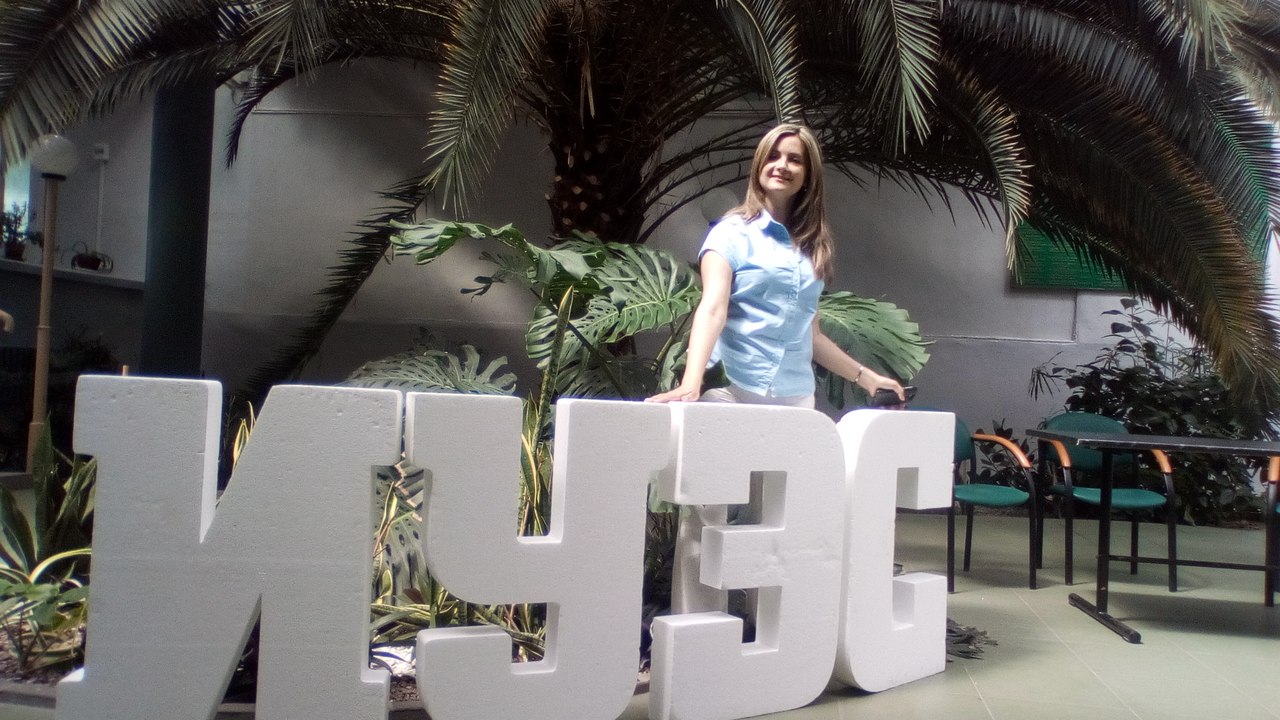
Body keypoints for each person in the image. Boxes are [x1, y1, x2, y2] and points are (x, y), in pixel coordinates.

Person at [647, 123, 904, 408]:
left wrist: (868, 378)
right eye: (772, 156)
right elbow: (712, 309)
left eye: (794, 160)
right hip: (730, 388)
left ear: (807, 175)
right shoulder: (730, 233)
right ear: (759, 166)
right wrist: (691, 382)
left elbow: (811, 335)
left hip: (795, 395)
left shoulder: (812, 247)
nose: (781, 165)